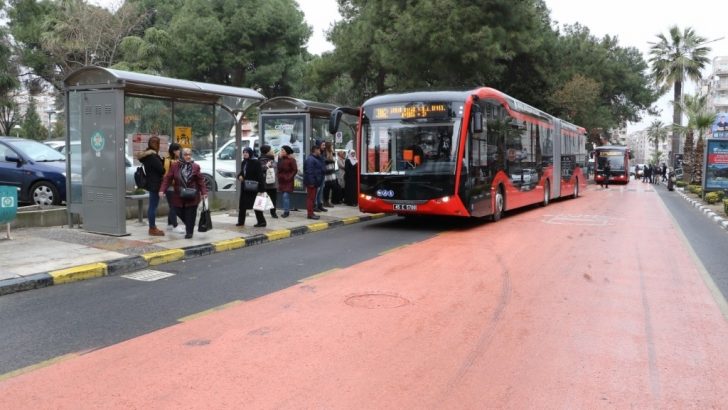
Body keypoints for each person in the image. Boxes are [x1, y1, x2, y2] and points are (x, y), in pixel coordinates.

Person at [159, 147, 208, 239]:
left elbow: (200, 180)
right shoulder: (174, 166)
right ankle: (190, 224)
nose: (188, 156)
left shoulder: (195, 166)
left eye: (189, 154)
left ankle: (189, 232)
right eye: (185, 155)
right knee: (176, 210)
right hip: (179, 195)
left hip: (192, 195)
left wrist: (204, 192)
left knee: (191, 213)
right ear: (181, 155)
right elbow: (167, 178)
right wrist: (162, 190)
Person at [137, 136, 166, 236]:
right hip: (155, 184)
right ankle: (152, 228)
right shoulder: (153, 156)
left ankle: (152, 227)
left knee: (152, 206)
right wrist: (163, 163)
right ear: (157, 144)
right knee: (153, 206)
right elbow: (161, 170)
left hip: (151, 182)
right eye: (158, 143)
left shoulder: (146, 156)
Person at [236, 147, 267, 227]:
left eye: (247, 152)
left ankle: (262, 222)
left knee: (256, 205)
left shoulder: (256, 162)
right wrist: (239, 176)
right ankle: (241, 222)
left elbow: (260, 176)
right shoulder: (244, 162)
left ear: (250, 153)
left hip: (254, 187)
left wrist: (261, 189)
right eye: (244, 152)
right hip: (245, 187)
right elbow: (241, 173)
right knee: (242, 205)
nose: (245, 154)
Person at [163, 142, 185, 234]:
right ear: (173, 151)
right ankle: (175, 225)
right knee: (174, 206)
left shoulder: (177, 160)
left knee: (172, 205)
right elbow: (167, 175)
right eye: (178, 150)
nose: (179, 152)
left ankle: (169, 224)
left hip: (176, 186)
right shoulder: (168, 161)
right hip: (170, 187)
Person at [304, 143, 325, 220]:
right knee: (311, 198)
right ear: (315, 150)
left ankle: (311, 212)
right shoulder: (310, 159)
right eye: (319, 150)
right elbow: (309, 172)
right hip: (312, 183)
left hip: (315, 182)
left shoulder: (316, 158)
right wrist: (311, 183)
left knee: (312, 198)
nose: (320, 151)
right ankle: (310, 214)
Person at [276, 145, 298, 218]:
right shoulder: (281, 159)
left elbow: (295, 170)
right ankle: (286, 210)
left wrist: (289, 177)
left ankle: (286, 211)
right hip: (282, 180)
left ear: (287, 151)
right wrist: (279, 159)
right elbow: (278, 168)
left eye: (283, 150)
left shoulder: (292, 160)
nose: (281, 151)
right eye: (281, 150)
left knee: (285, 196)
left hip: (288, 181)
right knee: (284, 196)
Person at [258, 144, 278, 219]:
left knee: (273, 198)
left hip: (272, 183)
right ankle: (260, 215)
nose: (272, 151)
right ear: (267, 152)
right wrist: (266, 166)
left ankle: (273, 213)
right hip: (264, 183)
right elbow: (260, 169)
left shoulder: (272, 159)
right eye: (270, 150)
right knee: (262, 198)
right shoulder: (261, 160)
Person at [322, 141, 338, 208]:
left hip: (332, 172)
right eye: (331, 146)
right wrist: (330, 160)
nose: (332, 147)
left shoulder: (333, 153)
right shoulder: (324, 153)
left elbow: (334, 160)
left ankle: (329, 201)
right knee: (326, 188)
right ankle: (326, 201)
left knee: (334, 187)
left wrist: (330, 159)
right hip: (326, 173)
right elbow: (325, 161)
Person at [315, 140, 327, 212]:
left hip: (322, 175)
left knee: (321, 191)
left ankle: (320, 204)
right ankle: (315, 205)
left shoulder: (322, 154)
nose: (324, 147)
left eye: (324, 145)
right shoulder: (317, 155)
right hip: (318, 175)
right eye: (323, 145)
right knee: (317, 191)